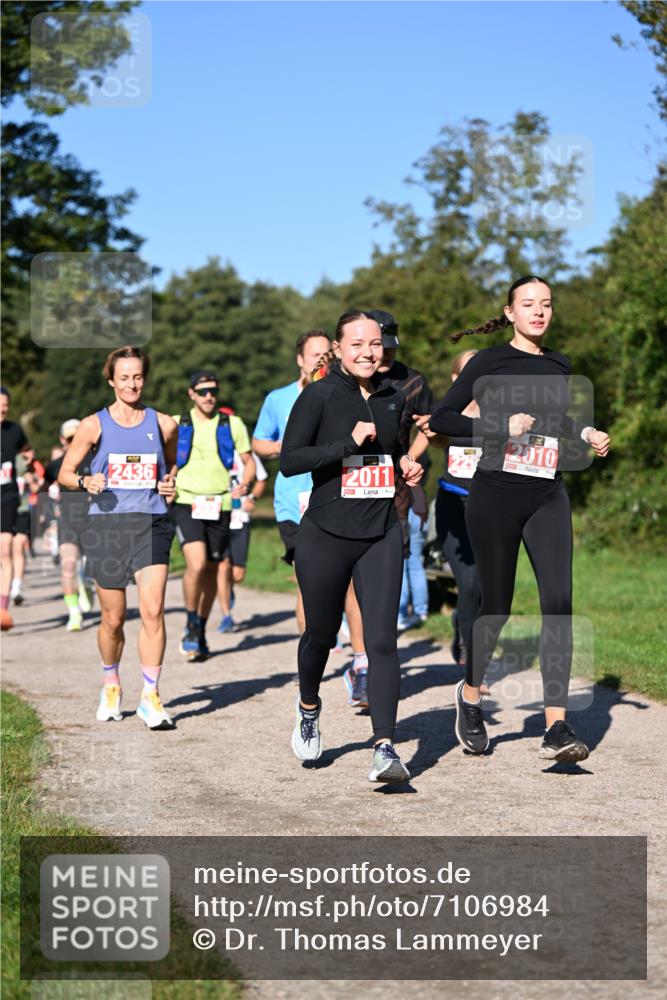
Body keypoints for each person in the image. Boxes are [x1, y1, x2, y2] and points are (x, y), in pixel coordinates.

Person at [425, 276, 610, 763]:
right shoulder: (486, 362)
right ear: (510, 313)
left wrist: (585, 429)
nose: (539, 311)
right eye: (529, 304)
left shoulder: (559, 364)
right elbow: (442, 419)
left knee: (558, 603)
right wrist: (496, 426)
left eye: (546, 304)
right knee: (498, 606)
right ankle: (469, 694)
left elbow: (550, 420)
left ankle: (556, 725)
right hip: (496, 496)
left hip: (547, 493)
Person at [281, 311, 423, 783]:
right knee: (320, 634)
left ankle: (385, 746)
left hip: (381, 530)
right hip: (325, 534)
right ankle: (308, 708)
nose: (368, 352)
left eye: (376, 343)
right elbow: (290, 461)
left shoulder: (390, 398)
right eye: (358, 344)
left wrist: (404, 463)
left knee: (382, 641)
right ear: (339, 350)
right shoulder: (319, 395)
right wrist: (345, 444)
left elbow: (384, 452)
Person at [59, 346, 178, 729]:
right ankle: (111, 683)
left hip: (151, 523)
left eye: (138, 376)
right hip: (107, 526)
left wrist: (169, 481)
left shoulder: (163, 423)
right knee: (112, 619)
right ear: (111, 380)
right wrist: (84, 481)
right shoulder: (93, 425)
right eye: (124, 377)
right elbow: (64, 472)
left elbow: (171, 463)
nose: (132, 384)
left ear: (145, 377)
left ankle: (150, 694)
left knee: (153, 610)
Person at [171, 371, 254, 659]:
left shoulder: (232, 423)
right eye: (203, 391)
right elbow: (162, 458)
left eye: (213, 391)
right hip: (185, 501)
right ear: (191, 393)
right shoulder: (176, 423)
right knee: (195, 565)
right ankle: (192, 621)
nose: (209, 396)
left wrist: (246, 483)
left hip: (221, 504)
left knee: (209, 569)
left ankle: (199, 628)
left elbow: (248, 460)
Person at [252, 330, 331, 632]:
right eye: (315, 355)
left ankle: (345, 642)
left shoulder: (346, 394)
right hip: (293, 502)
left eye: (327, 355)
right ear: (300, 360)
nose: (322, 361)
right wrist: (285, 448)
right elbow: (259, 442)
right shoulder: (278, 399)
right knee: (307, 580)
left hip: (335, 496)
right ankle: (312, 658)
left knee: (339, 578)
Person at [435, 350, 485, 677]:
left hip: (490, 512)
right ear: (456, 378)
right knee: (468, 583)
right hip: (453, 507)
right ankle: (474, 662)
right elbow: (425, 442)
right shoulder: (444, 415)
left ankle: (462, 623)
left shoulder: (502, 414)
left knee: (486, 590)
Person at [43, 419, 95, 631]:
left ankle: (88, 585)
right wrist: (48, 520)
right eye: (70, 439)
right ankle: (74, 613)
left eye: (78, 438)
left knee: (93, 571)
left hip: (93, 521)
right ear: (63, 440)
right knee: (68, 566)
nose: (75, 442)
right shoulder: (56, 466)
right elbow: (44, 487)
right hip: (68, 521)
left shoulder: (96, 460)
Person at [217, 447, 268, 632]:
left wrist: (252, 497)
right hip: (218, 516)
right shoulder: (210, 448)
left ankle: (227, 587)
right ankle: (226, 616)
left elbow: (262, 479)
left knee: (238, 574)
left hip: (240, 518)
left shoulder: (247, 454)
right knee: (223, 565)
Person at [1, 387, 30, 630]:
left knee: (5, 553)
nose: (3, 411)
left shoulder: (14, 430)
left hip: (7, 497)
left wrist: (29, 461)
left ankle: (3, 609)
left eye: (5, 407)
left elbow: (26, 449)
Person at [10, 449, 45, 605]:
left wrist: (31, 480)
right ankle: (9, 581)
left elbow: (36, 489)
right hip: (4, 511)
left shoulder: (24, 466)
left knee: (18, 546)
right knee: (5, 552)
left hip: (22, 510)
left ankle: (16, 588)